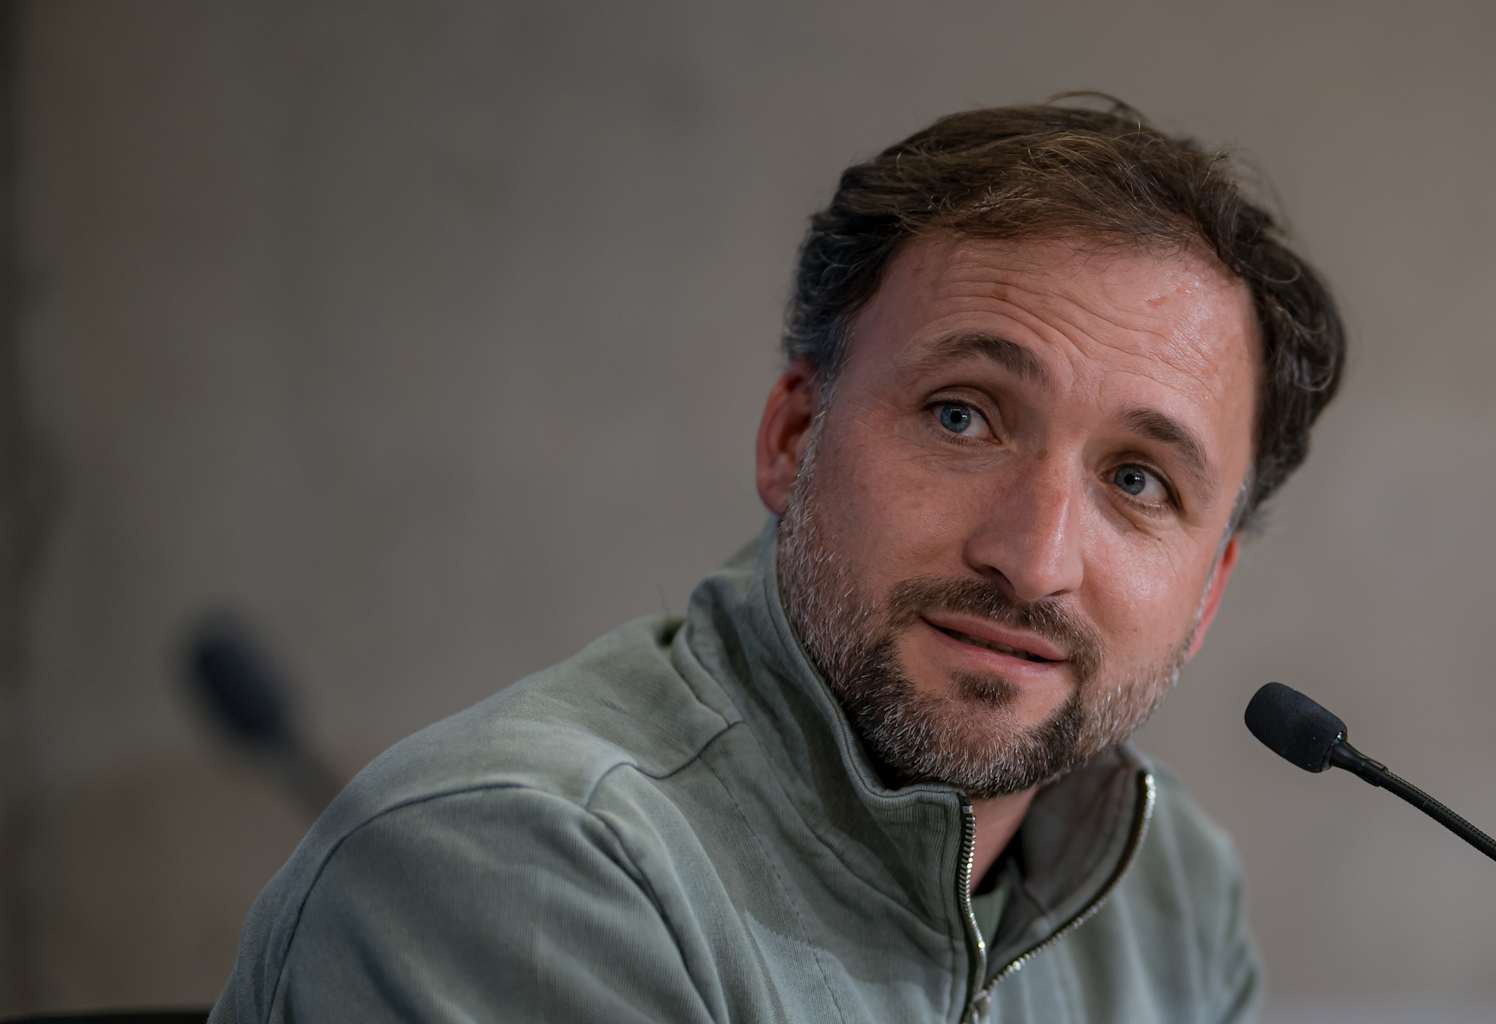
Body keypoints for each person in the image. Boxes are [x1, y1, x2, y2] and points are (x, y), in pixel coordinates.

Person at [210, 94, 1347, 1023]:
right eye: (963, 415)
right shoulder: (513, 864)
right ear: (792, 437)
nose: (1034, 559)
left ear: (1205, 596)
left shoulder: (1171, 889)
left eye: (1138, 481)